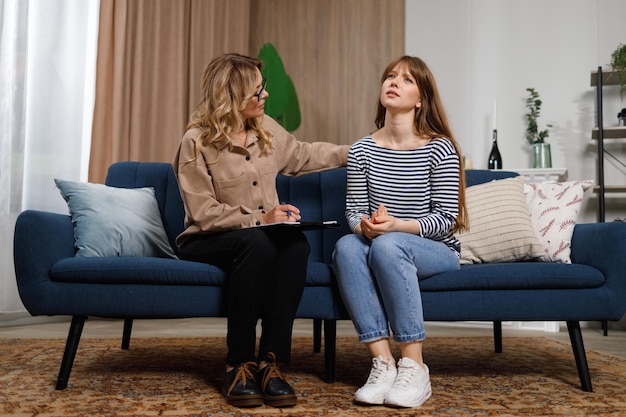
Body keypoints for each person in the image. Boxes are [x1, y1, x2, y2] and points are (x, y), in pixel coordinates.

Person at [173, 53, 349, 408]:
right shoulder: (196, 141)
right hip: (205, 239)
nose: (265, 95)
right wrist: (262, 219)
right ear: (233, 96)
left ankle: (271, 362)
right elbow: (203, 213)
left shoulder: (265, 128)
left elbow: (304, 154)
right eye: (258, 90)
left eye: (263, 86)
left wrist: (361, 150)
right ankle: (238, 363)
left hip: (257, 238)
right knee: (259, 243)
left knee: (295, 245)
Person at [332, 55, 468, 408]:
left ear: (421, 98)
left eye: (407, 80)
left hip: (436, 250)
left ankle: (415, 365)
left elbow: (447, 219)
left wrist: (396, 228)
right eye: (390, 76)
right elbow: (353, 211)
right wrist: (364, 225)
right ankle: (384, 364)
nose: (394, 82)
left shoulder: (440, 148)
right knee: (347, 247)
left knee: (390, 246)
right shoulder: (362, 149)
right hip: (383, 243)